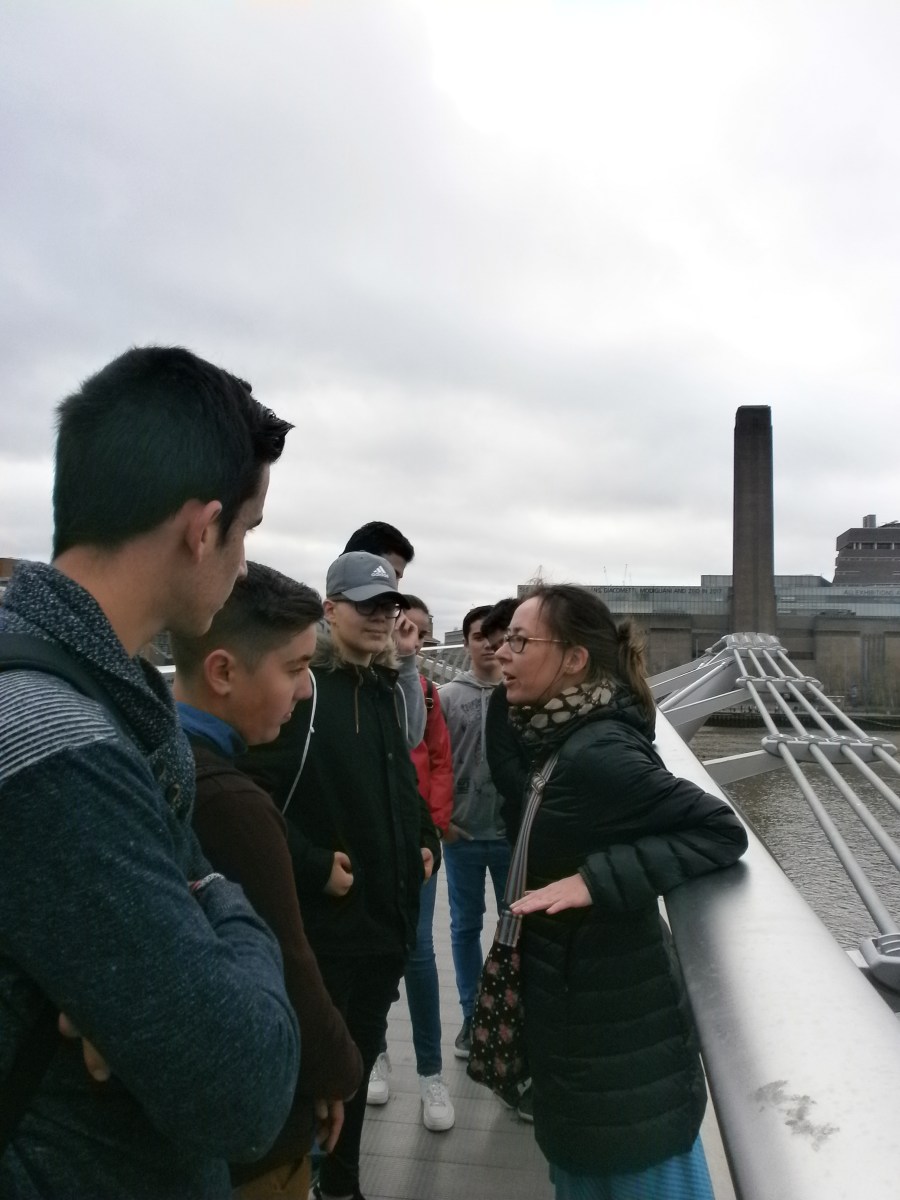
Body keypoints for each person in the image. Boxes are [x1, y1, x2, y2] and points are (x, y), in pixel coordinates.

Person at [0, 346, 300, 1198]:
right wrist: (218, 899)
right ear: (202, 530)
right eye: (247, 532)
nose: (243, 563)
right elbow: (242, 1085)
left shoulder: (78, 697)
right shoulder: (59, 748)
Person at [497, 584, 749, 1200]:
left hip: (624, 1058)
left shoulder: (598, 750)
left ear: (574, 659)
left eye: (520, 641)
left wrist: (597, 879)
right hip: (582, 1038)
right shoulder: (556, 734)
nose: (503, 652)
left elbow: (720, 830)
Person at [243, 551, 442, 1200]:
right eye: (366, 606)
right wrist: (312, 865)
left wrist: (425, 838)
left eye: (390, 606)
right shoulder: (304, 692)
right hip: (328, 930)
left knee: (352, 1063)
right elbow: (250, 793)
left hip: (385, 925)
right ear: (330, 610)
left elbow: (400, 783)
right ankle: (305, 1181)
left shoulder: (383, 688)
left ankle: (342, 1183)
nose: (382, 618)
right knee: (314, 1071)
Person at [170, 562, 364, 1199]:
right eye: (295, 667)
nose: (306, 690)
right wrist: (335, 1072)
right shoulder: (232, 804)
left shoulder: (148, 755)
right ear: (223, 671)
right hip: (254, 1136)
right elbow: (288, 962)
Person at [367, 595, 456, 1132]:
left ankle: (430, 1073)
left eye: (421, 634)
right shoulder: (356, 685)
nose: (413, 640)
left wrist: (435, 824)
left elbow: (437, 756)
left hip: (416, 840)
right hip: (370, 839)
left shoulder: (422, 689)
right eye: (406, 629)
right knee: (375, 947)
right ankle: (377, 1053)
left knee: (419, 952)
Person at [439, 606, 511, 1063]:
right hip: (461, 834)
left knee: (513, 928)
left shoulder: (518, 692)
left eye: (496, 637)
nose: (488, 644)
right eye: (479, 636)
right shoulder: (445, 697)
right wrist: (440, 821)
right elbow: (433, 762)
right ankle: (471, 1015)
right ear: (466, 642)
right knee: (465, 926)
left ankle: (505, 1017)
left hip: (508, 834)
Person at [341, 521, 424, 748]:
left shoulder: (382, 649)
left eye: (397, 578)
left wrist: (405, 657)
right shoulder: (305, 652)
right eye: (389, 573)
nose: (392, 586)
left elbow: (409, 736)